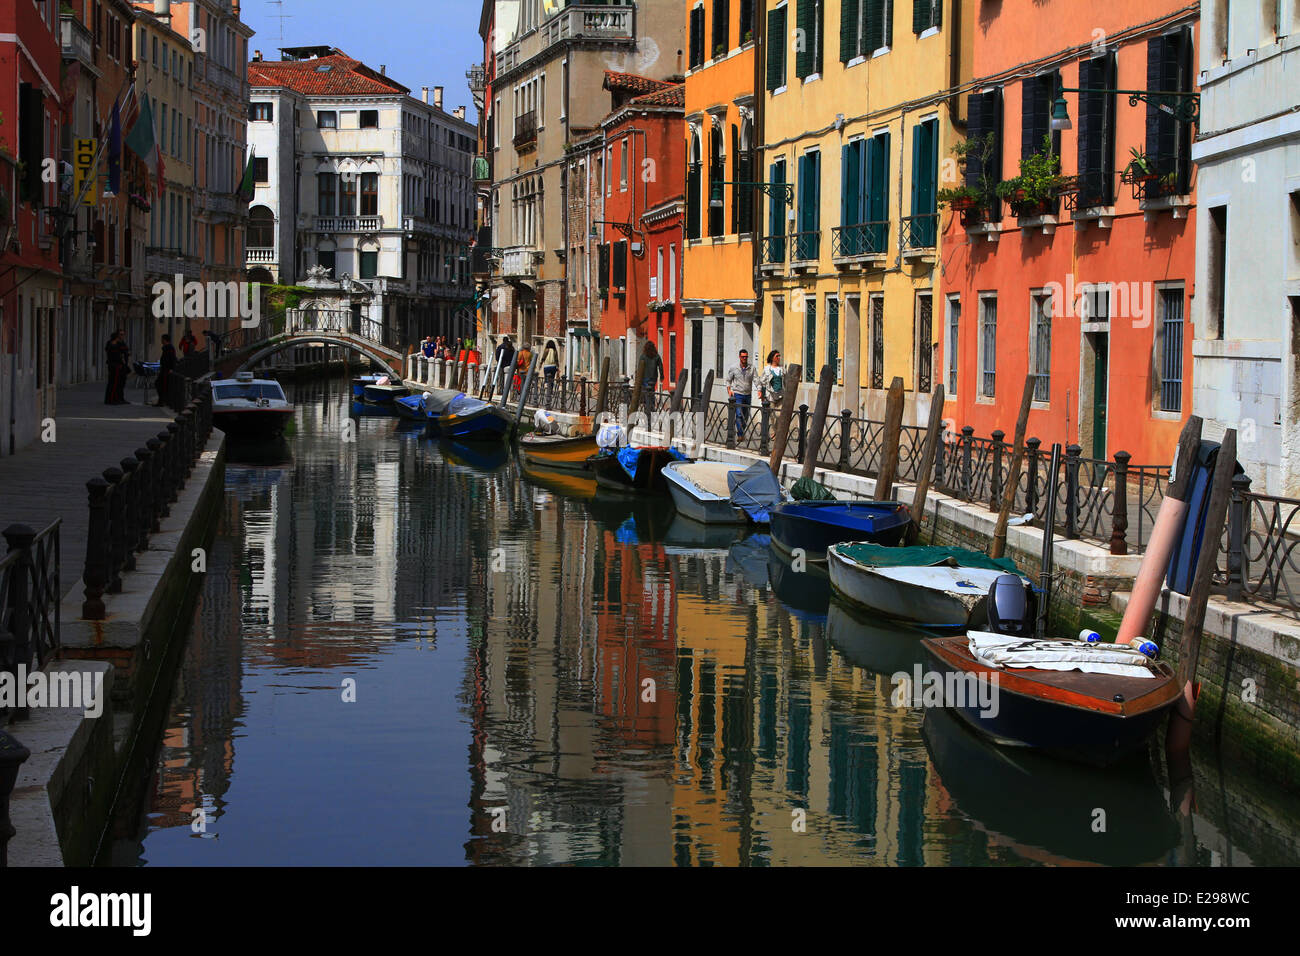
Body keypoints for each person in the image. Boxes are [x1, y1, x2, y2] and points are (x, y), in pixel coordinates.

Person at [725, 349, 756, 434]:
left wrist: (759, 390)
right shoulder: (734, 368)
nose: (744, 358)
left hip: (748, 394)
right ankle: (740, 433)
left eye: (746, 357)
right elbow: (728, 380)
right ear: (739, 357)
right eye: (743, 357)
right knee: (739, 414)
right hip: (738, 394)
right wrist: (729, 390)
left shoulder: (751, 368)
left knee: (745, 416)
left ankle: (741, 430)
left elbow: (756, 380)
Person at [639, 340, 662, 413]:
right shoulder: (656, 356)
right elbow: (661, 366)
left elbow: (640, 367)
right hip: (653, 377)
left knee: (646, 392)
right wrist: (662, 376)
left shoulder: (643, 356)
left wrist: (638, 378)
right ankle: (651, 407)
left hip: (644, 378)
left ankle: (647, 407)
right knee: (651, 391)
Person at [155, 333, 177, 407]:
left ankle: (162, 401)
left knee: (162, 385)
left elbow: (172, 359)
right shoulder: (166, 348)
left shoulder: (170, 348)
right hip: (164, 369)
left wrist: (171, 368)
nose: (161, 340)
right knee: (159, 384)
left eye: (162, 339)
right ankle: (161, 400)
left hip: (166, 370)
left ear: (164, 340)